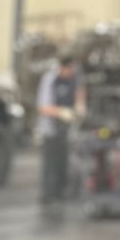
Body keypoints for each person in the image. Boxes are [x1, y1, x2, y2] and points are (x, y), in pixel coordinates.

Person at [37, 56, 83, 203]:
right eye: (69, 69)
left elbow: (79, 94)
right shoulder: (50, 80)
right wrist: (61, 112)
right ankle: (49, 195)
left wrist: (79, 107)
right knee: (51, 164)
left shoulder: (74, 78)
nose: (71, 73)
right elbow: (43, 108)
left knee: (63, 162)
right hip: (50, 128)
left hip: (66, 130)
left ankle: (61, 193)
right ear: (63, 67)